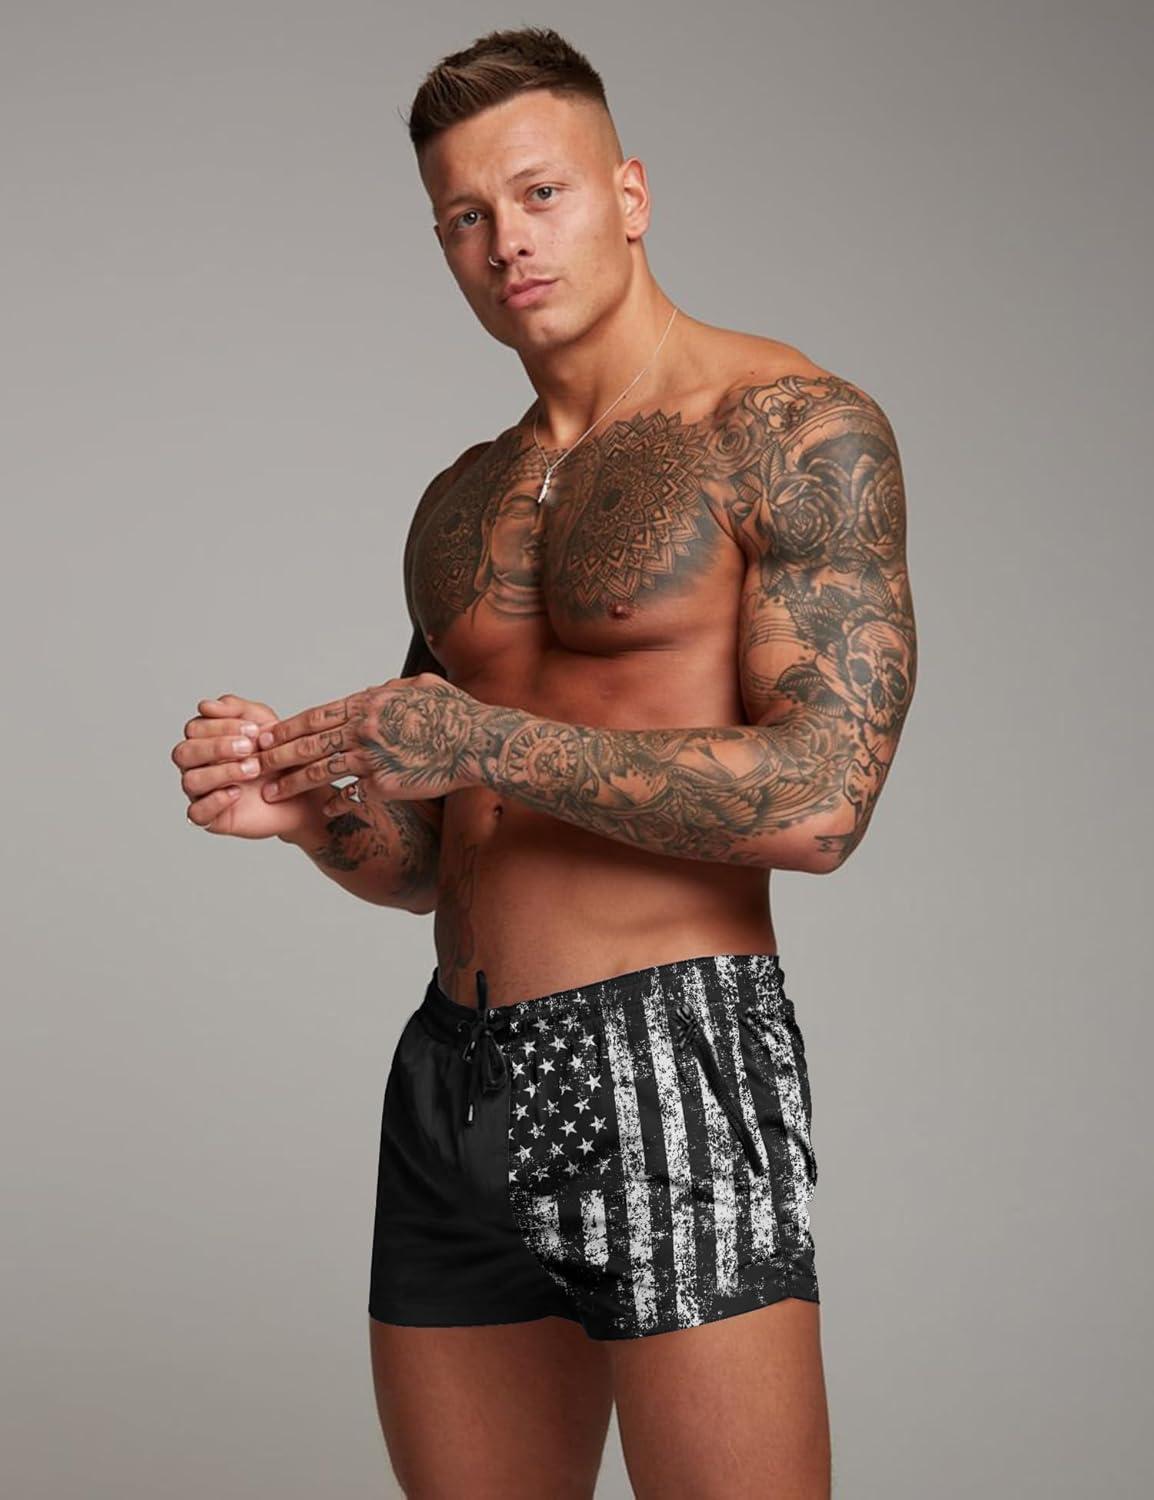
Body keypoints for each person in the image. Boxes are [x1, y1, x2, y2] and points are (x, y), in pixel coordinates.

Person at [172, 24, 916, 1499]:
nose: (504, 241)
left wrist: (479, 736)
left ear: (628, 194)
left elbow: (823, 799)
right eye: (464, 216)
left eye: (539, 193)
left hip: (667, 1051)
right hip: (449, 1074)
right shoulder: (461, 498)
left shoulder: (786, 428)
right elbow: (438, 856)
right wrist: (314, 817)